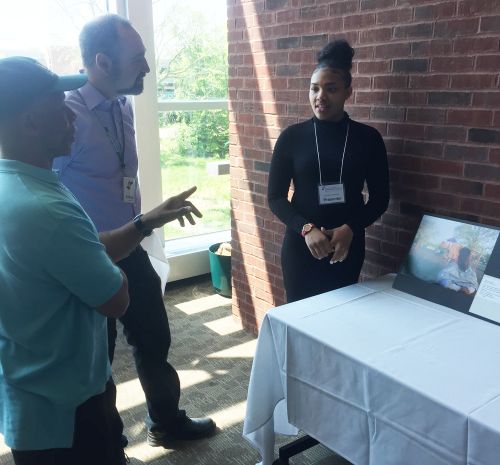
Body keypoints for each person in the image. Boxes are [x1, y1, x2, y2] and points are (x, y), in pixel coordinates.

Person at [0, 57, 201, 465]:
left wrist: (143, 223)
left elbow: (85, 250)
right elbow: (116, 298)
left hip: (36, 393)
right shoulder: (46, 210)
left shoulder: (18, 184)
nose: (70, 112)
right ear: (30, 123)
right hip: (65, 410)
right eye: (58, 104)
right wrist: (100, 261)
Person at [52, 14, 216, 446]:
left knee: (155, 341)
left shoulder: (122, 105)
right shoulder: (64, 115)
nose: (147, 68)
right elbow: (45, 192)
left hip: (133, 246)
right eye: (138, 58)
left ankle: (166, 420)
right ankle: (110, 445)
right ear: (102, 62)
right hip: (91, 257)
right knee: (97, 363)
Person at [267, 40, 390, 302]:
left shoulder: (368, 138)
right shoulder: (292, 137)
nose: (320, 97)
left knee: (340, 319)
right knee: (299, 319)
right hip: (302, 248)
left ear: (348, 92)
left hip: (346, 247)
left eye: (331, 89)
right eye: (314, 89)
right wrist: (306, 228)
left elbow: (380, 199)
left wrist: (351, 228)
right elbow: (275, 198)